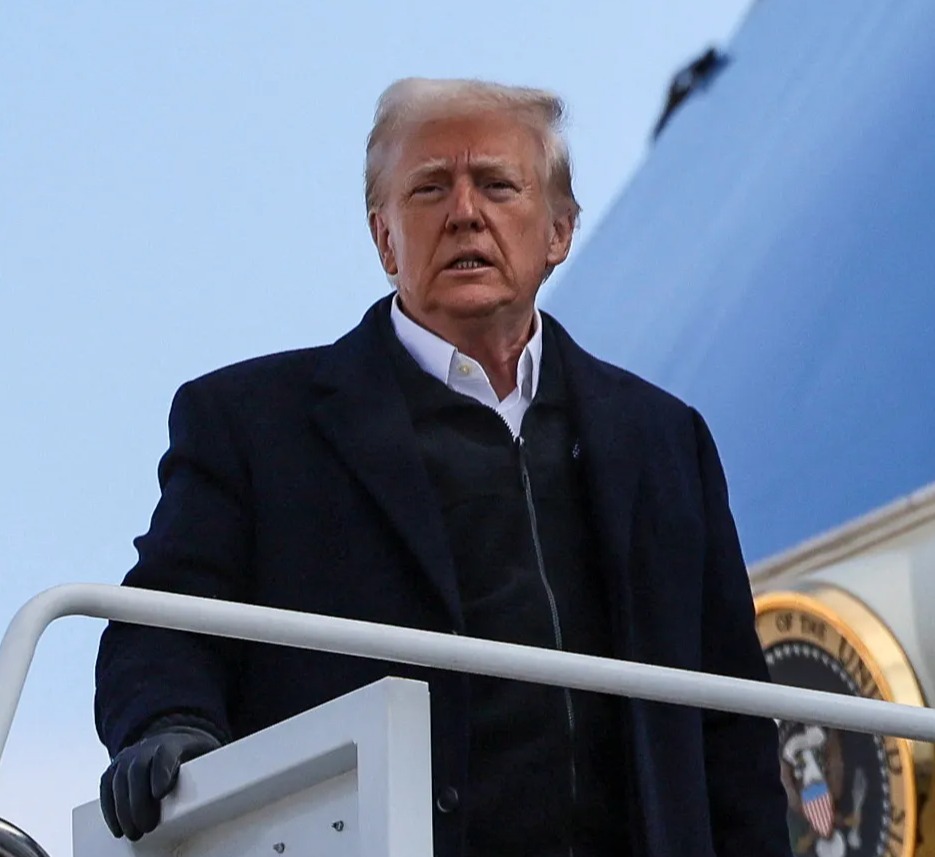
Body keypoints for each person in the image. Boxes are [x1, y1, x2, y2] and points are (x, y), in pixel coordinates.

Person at [94, 77, 792, 857]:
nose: (465, 212)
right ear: (385, 238)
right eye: (429, 188)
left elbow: (730, 722)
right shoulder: (253, 426)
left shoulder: (664, 439)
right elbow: (162, 622)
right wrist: (169, 724)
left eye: (496, 184)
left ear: (558, 230)